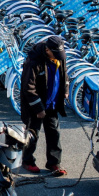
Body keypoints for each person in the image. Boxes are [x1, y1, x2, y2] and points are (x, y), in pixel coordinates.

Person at [20, 35, 69, 176]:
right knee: (32, 134)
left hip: (52, 103)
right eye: (56, 54)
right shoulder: (33, 62)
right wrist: (38, 109)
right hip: (35, 106)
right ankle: (27, 161)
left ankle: (54, 162)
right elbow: (28, 88)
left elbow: (65, 75)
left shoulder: (59, 57)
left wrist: (65, 90)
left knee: (54, 133)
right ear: (47, 50)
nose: (59, 57)